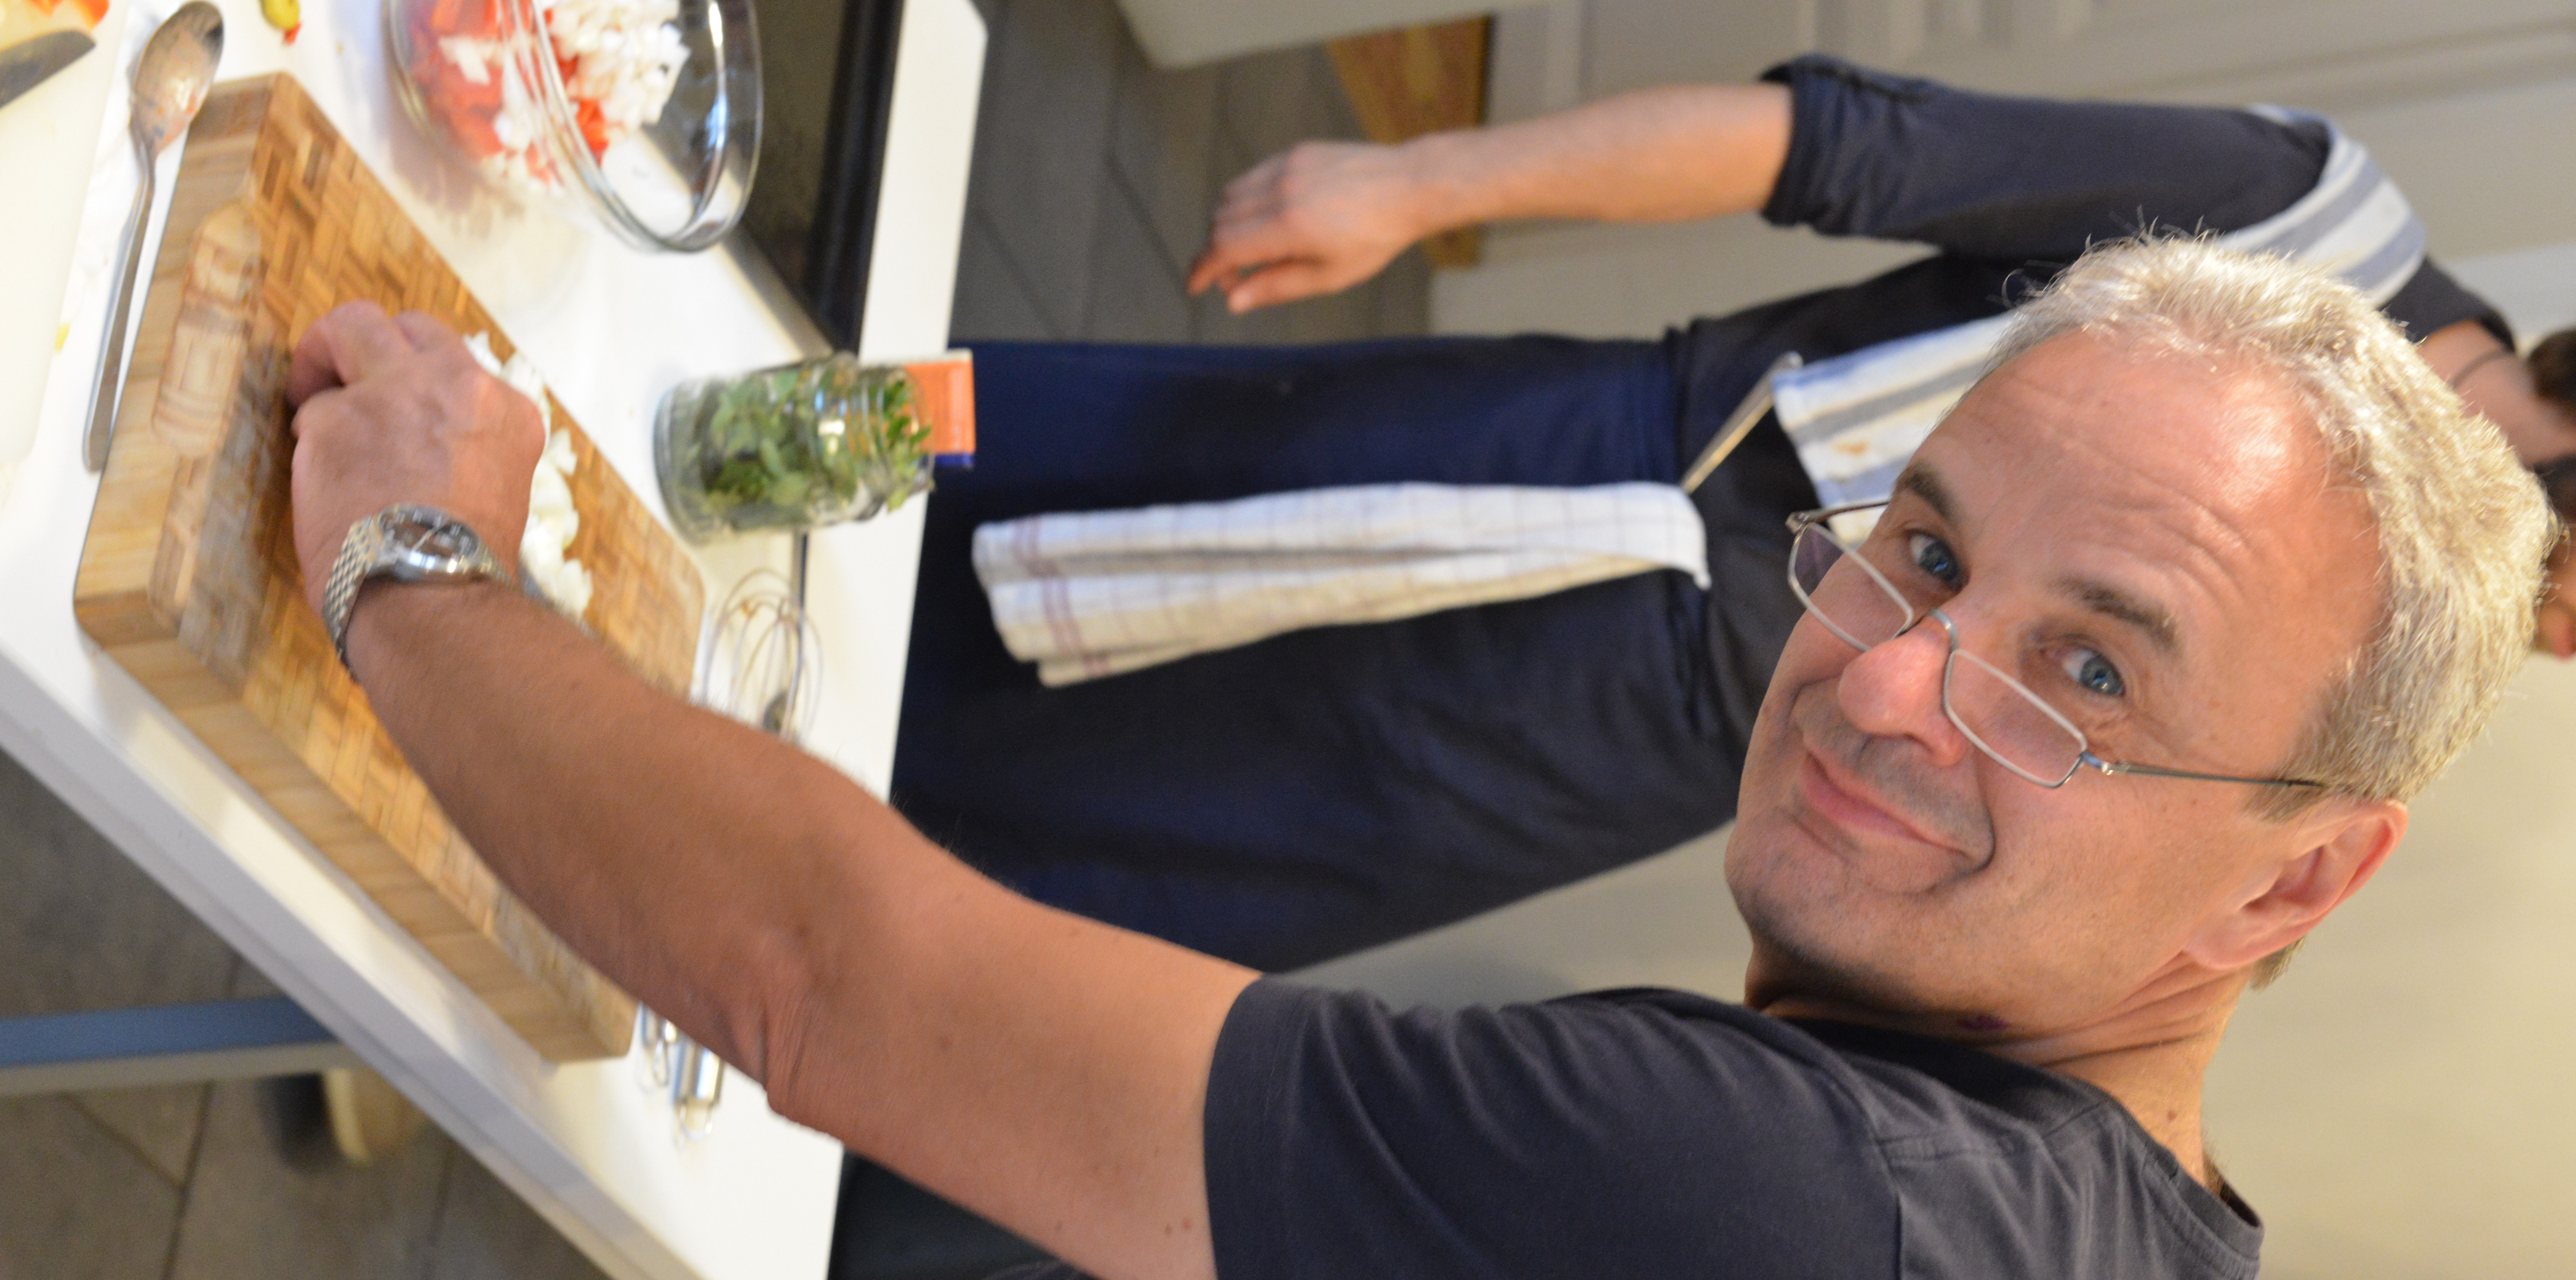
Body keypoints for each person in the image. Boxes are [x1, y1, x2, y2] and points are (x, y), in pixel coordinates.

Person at [0, 235, 2553, 1280]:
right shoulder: (2077, 1246)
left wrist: (419, 562)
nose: (1895, 679)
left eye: (2090, 672)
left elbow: (826, 977)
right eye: (1928, 549)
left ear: (2295, 883)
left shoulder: (1834, 1260)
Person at [891, 55, 2576, 975]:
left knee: (1098, 851)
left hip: (1654, 738)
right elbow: (1839, 149)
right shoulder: (2306, 217)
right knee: (1008, 509)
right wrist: (1417, 182)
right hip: (1609, 465)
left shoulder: (2405, 607)